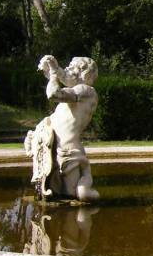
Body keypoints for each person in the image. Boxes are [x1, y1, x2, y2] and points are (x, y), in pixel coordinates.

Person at [24, 55, 100, 201]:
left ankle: (87, 186)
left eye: (71, 68)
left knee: (74, 195)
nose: (66, 70)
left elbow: (53, 94)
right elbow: (65, 78)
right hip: (54, 148)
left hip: (68, 153)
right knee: (55, 195)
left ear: (82, 74)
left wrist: (53, 73)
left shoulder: (86, 91)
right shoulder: (75, 95)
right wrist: (53, 67)